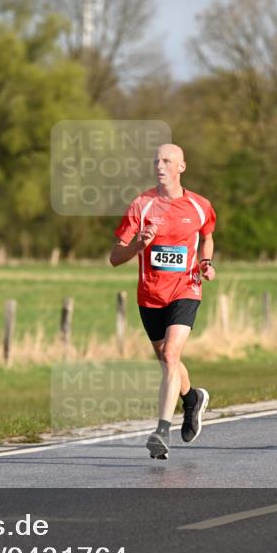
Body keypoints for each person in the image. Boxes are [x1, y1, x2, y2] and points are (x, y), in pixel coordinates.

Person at [110, 143, 216, 459]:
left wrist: (206, 262)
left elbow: (208, 235)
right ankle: (192, 398)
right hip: (150, 295)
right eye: (156, 160)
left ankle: (161, 431)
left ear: (181, 167)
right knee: (166, 359)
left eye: (167, 160)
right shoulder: (141, 205)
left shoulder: (200, 205)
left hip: (186, 288)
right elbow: (115, 257)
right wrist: (138, 246)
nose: (160, 165)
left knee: (171, 355)